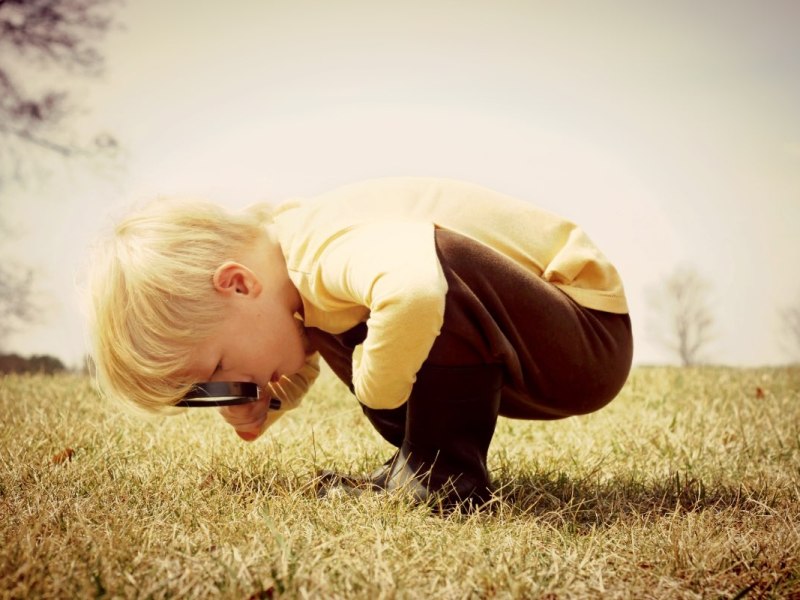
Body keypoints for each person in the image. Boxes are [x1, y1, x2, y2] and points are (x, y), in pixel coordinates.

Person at [88, 177, 633, 509]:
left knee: (421, 283)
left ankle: (442, 478)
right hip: (540, 339)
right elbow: (302, 340)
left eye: (222, 367)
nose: (229, 386)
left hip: (583, 332)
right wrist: (262, 401)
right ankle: (421, 461)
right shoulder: (291, 269)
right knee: (350, 323)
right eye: (215, 390)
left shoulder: (320, 249)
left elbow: (419, 292)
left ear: (237, 283)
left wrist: (378, 389)